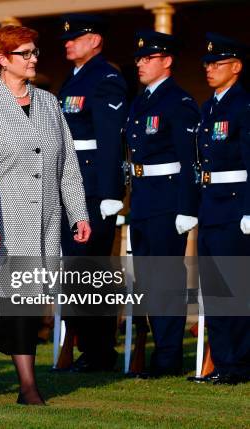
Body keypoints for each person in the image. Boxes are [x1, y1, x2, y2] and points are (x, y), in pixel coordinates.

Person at [0, 25, 90, 405]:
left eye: (35, 52)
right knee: (19, 302)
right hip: (2, 220)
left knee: (9, 305)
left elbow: (67, 164)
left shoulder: (50, 103)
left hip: (46, 218)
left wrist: (77, 213)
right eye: (26, 54)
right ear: (3, 60)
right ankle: (28, 386)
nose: (34, 59)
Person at [126, 30, 199, 377]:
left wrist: (188, 207)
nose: (140, 63)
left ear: (167, 61)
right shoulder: (140, 101)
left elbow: (189, 160)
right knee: (146, 280)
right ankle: (156, 348)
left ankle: (168, 357)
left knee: (166, 280)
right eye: (139, 58)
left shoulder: (179, 102)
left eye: (148, 58)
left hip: (168, 199)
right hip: (142, 197)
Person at [58, 13, 128, 372]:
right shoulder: (75, 80)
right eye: (67, 37)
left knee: (90, 272)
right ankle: (87, 346)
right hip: (70, 186)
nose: (68, 41)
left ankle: (99, 350)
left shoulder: (105, 79)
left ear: (96, 40)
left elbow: (109, 140)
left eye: (77, 36)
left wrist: (109, 192)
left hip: (91, 189)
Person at [193, 33, 250, 384]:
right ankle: (223, 363)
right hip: (210, 205)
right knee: (214, 289)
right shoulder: (209, 107)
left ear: (237, 67)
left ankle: (240, 365)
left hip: (233, 206)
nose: (210, 69)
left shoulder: (243, 106)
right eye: (207, 65)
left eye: (218, 64)